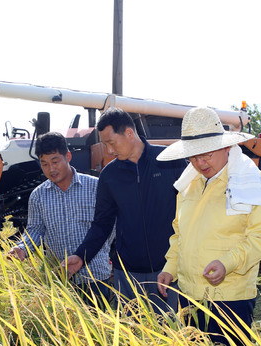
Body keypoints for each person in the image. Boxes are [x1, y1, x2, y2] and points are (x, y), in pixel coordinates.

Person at [155, 107, 261, 346]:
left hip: (229, 298)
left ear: (225, 147)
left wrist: (227, 263)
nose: (200, 163)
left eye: (207, 155)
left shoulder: (253, 183)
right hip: (189, 296)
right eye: (193, 157)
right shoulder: (190, 185)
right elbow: (180, 234)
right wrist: (169, 268)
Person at [62, 107, 187, 313]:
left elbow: (189, 212)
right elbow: (102, 224)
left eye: (111, 143)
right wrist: (81, 255)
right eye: (105, 145)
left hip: (168, 271)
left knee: (171, 336)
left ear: (129, 133)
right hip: (127, 275)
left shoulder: (169, 161)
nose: (109, 151)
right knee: (132, 339)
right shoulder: (109, 176)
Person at [7, 131, 112, 307]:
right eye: (45, 164)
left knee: (98, 330)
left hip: (94, 275)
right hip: (59, 277)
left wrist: (98, 253)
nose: (51, 169)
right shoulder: (38, 196)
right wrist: (22, 248)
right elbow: (35, 229)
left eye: (55, 161)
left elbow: (109, 226)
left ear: (68, 156)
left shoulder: (96, 187)